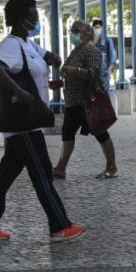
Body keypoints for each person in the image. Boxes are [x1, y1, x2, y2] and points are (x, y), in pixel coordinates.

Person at [0, 0, 85, 242]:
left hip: (27, 122)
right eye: (34, 15)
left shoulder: (28, 43)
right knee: (42, 172)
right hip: (23, 122)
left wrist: (50, 72)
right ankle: (59, 225)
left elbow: (45, 58)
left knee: (6, 175)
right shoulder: (12, 43)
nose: (37, 20)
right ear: (23, 19)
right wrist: (18, 90)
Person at [52, 20, 118, 180]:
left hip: (87, 101)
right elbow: (70, 75)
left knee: (100, 133)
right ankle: (60, 168)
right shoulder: (76, 50)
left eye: (76, 30)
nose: (73, 33)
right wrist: (60, 82)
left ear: (87, 33)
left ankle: (112, 167)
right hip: (72, 102)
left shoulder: (91, 51)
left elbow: (94, 74)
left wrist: (75, 70)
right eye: (71, 30)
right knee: (67, 133)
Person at [91, 19, 116, 100]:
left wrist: (108, 71)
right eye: (95, 27)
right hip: (93, 74)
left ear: (101, 28)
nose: (96, 29)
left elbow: (112, 56)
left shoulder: (107, 40)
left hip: (104, 74)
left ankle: (107, 112)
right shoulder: (91, 42)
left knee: (105, 96)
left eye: (98, 27)